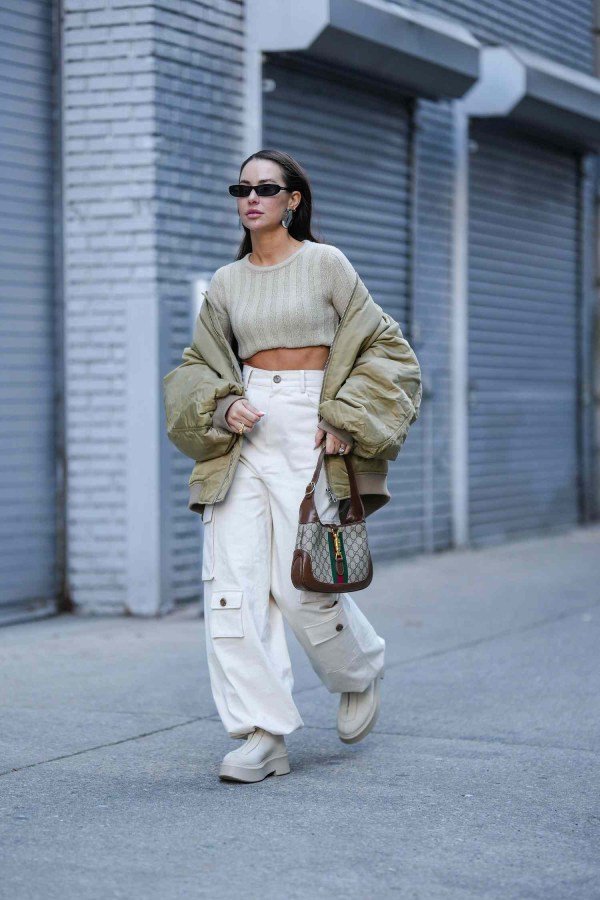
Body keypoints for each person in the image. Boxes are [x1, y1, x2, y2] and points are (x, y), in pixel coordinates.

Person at [163, 149, 422, 784]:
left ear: (292, 200)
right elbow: (197, 366)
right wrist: (222, 406)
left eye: (265, 188)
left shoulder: (326, 265)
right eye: (241, 189)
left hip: (314, 422)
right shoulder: (225, 283)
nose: (250, 198)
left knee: (303, 583)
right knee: (233, 588)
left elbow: (388, 350)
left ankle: (358, 669)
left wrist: (346, 414)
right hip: (247, 429)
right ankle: (261, 733)